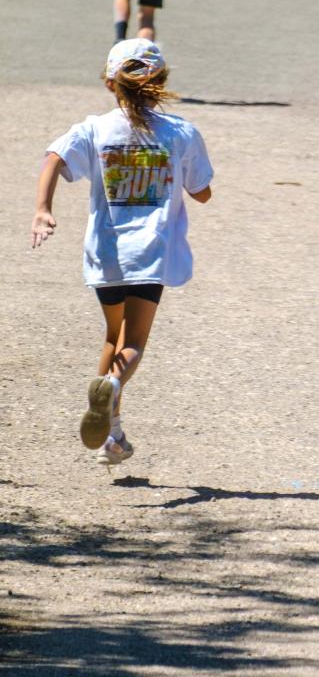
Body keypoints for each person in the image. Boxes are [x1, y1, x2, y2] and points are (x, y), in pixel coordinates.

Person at [32, 39, 214, 467]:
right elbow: (202, 193)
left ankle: (114, 435)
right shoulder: (180, 132)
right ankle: (112, 388)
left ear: (111, 83)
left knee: (113, 335)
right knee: (133, 344)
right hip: (149, 253)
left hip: (107, 252)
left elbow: (53, 157)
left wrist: (43, 210)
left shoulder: (95, 128)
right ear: (160, 82)